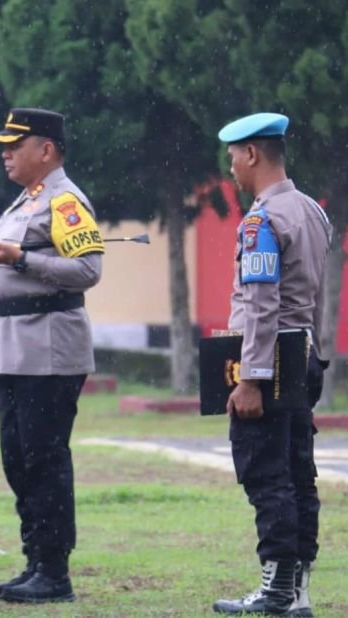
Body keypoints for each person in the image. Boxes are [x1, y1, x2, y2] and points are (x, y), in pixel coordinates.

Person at [0, 108, 104, 604]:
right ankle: (35, 561)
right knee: (17, 458)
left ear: (46, 150)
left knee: (43, 459)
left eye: (16, 144)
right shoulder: (27, 200)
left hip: (48, 348)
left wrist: (23, 259)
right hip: (13, 347)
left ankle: (54, 571)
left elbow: (88, 270)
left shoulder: (65, 202)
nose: (6, 153)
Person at [212, 113, 331, 617]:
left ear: (253, 155)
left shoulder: (261, 220)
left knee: (267, 474)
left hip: (269, 358)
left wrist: (252, 379)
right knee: (299, 474)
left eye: (234, 156)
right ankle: (297, 589)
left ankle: (276, 587)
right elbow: (317, 296)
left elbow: (261, 303)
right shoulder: (312, 212)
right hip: (301, 349)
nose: (232, 167)